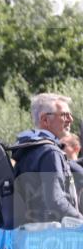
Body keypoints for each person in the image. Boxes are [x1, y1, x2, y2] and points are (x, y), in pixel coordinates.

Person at [12, 93, 80, 225]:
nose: (70, 119)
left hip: (31, 234)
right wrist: (80, 219)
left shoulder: (28, 150)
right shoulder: (50, 153)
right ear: (45, 120)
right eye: (64, 115)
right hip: (51, 237)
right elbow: (56, 201)